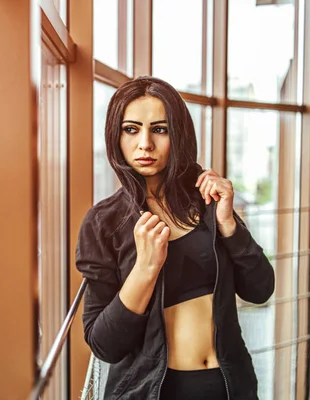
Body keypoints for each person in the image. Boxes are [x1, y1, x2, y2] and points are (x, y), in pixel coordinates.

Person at [75, 76, 275, 400]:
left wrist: (229, 224)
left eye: (159, 129)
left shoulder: (207, 199)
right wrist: (146, 268)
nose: (145, 144)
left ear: (178, 134)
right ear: (116, 135)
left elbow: (261, 289)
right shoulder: (103, 223)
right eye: (131, 129)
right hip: (152, 392)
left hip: (229, 386)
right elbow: (104, 345)